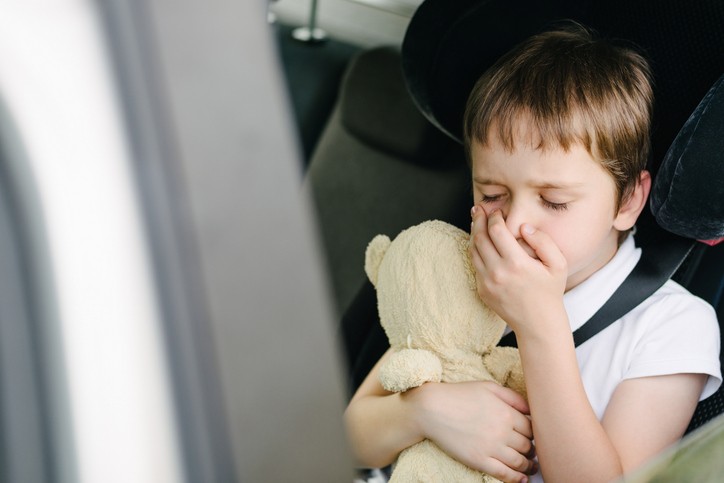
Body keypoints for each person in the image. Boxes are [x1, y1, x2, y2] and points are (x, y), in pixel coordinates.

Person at [344, 24, 721, 483]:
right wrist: (422, 412)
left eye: (555, 201)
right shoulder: (463, 271)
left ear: (627, 202)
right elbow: (349, 440)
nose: (514, 224)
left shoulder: (672, 327)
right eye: (493, 193)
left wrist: (538, 324)